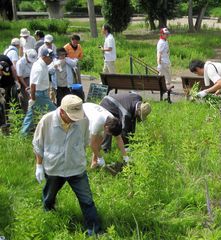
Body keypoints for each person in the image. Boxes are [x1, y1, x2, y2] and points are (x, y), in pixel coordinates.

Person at [32, 95, 101, 236]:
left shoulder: (83, 120)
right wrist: (39, 166)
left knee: (87, 200)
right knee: (49, 196)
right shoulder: (47, 120)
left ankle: (94, 230)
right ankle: (48, 213)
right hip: (54, 167)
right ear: (62, 111)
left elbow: (83, 142)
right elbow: (38, 145)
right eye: (72, 116)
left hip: (76, 167)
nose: (75, 119)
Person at [100, 93, 151, 169]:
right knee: (110, 126)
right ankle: (105, 149)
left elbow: (133, 119)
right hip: (107, 104)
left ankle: (129, 144)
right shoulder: (125, 112)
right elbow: (124, 130)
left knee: (131, 119)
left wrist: (131, 139)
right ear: (138, 110)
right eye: (140, 116)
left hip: (119, 104)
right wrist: (126, 149)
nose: (139, 118)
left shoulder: (138, 98)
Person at [21, 48, 57, 136]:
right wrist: (33, 98)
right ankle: (55, 132)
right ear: (44, 57)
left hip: (41, 92)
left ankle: (23, 134)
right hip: (39, 95)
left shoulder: (41, 63)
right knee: (55, 112)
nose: (51, 60)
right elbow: (33, 84)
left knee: (30, 115)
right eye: (50, 58)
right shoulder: (39, 68)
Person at [82, 102, 128, 169]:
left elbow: (119, 138)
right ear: (106, 128)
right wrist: (101, 158)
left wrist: (125, 156)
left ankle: (94, 162)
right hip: (84, 113)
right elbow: (92, 144)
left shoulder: (113, 120)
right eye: (110, 134)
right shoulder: (97, 123)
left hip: (93, 110)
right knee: (86, 141)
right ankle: (82, 165)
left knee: (100, 139)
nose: (110, 135)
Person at [16, 49, 38, 113]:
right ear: (26, 55)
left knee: (34, 96)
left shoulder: (35, 60)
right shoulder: (20, 63)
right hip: (23, 79)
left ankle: (35, 112)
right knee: (25, 97)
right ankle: (26, 112)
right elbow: (20, 76)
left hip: (32, 78)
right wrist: (26, 86)